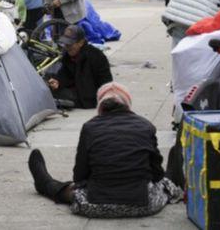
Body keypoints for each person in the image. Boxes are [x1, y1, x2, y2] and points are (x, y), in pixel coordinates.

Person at [28, 82, 183, 218]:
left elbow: (80, 176)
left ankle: (45, 183)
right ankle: (175, 171)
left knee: (71, 191)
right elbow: (156, 174)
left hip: (95, 205)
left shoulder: (89, 128)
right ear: (127, 104)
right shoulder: (146, 125)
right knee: (165, 184)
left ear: (100, 106)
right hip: (144, 205)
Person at [47, 25, 112, 109]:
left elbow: (106, 82)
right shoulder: (67, 56)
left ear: (81, 43)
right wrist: (58, 82)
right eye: (65, 44)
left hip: (90, 98)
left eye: (70, 44)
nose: (67, 47)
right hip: (76, 93)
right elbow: (64, 75)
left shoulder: (96, 56)